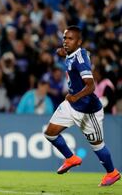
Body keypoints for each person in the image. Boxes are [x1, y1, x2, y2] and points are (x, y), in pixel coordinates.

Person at [44, 26, 120, 186]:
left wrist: (75, 96)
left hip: (88, 110)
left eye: (70, 39)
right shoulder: (74, 53)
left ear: (79, 42)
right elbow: (76, 54)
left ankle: (112, 173)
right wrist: (65, 52)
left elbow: (91, 86)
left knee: (98, 146)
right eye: (65, 38)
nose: (65, 41)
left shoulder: (80, 60)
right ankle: (71, 158)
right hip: (71, 106)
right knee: (50, 133)